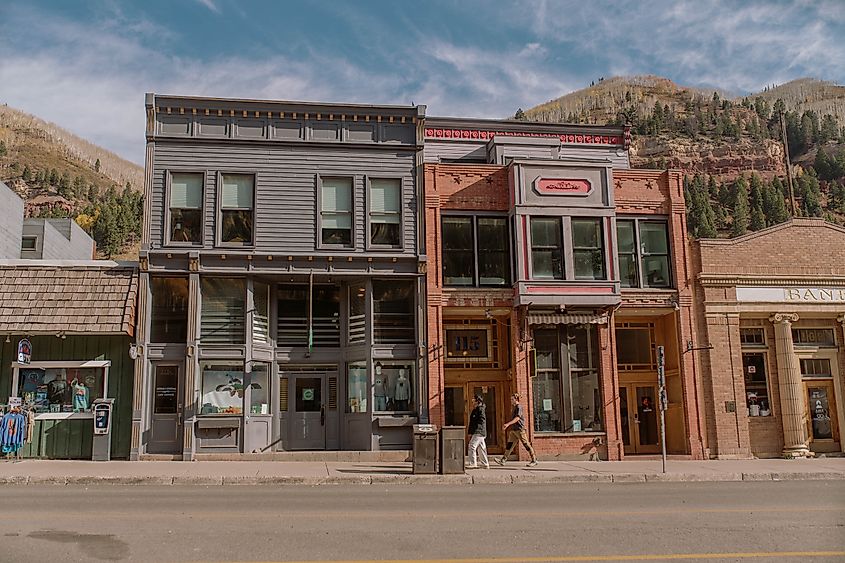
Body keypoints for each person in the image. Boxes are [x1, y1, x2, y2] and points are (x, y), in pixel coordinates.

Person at [497, 393, 538, 467]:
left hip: (520, 429)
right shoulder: (514, 407)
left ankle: (534, 460)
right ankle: (503, 460)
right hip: (514, 430)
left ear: (516, 399)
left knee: (526, 444)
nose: (511, 401)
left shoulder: (519, 407)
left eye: (512, 399)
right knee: (510, 445)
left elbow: (517, 418)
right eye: (511, 399)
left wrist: (508, 424)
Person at [466, 395, 489, 469]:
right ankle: (485, 463)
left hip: (479, 431)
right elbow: (472, 422)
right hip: (480, 431)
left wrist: (476, 430)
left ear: (477, 401)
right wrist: (470, 432)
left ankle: (473, 463)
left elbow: (481, 420)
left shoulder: (480, 409)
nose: (472, 401)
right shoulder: (476, 410)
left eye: (474, 400)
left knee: (472, 446)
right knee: (481, 448)